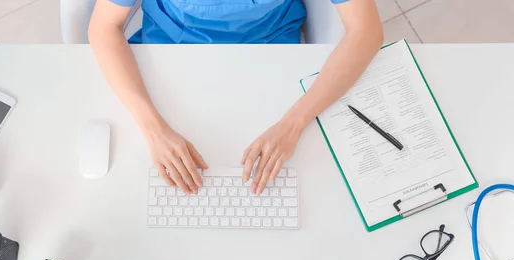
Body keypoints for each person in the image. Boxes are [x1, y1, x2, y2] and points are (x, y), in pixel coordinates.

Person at [89, 0, 383, 195]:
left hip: (269, 61)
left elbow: (366, 31)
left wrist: (292, 125)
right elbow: (103, 28)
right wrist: (154, 130)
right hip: (169, 59)